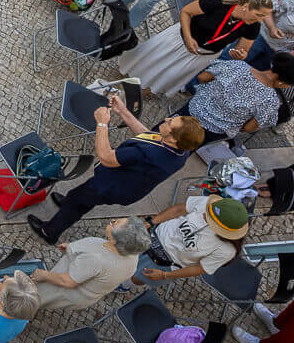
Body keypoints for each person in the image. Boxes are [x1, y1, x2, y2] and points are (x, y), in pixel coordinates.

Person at [28, 103, 202, 244]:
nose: (166, 119)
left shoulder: (150, 155)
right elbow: (148, 136)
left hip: (112, 186)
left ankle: (50, 231)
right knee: (80, 195)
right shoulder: (181, 150)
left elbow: (106, 157)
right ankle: (69, 200)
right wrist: (123, 111)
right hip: (120, 182)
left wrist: (102, 123)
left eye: (170, 123)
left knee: (79, 202)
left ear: (174, 138)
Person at [117, 0, 274, 100]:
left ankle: (142, 91)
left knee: (169, 74)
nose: (260, 20)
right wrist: (187, 37)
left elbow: (243, 50)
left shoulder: (253, 25)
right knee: (151, 60)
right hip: (179, 39)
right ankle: (128, 75)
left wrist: (239, 55)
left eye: (264, 16)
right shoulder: (217, 3)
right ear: (245, 6)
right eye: (259, 15)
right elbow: (186, 12)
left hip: (202, 56)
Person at [184, 54, 294, 153]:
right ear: (283, 83)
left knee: (167, 128)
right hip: (212, 131)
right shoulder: (271, 102)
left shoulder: (239, 65)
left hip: (193, 109)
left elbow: (203, 77)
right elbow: (248, 128)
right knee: (183, 148)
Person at [30, 217, 151, 310]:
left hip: (63, 290)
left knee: (34, 299)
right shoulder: (132, 254)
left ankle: (19, 312)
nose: (112, 221)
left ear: (116, 241)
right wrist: (72, 248)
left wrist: (44, 275)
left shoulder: (96, 260)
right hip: (86, 293)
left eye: (114, 223)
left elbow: (68, 281)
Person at [137, 195, 252, 284]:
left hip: (164, 262)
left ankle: (125, 285)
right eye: (208, 212)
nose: (204, 214)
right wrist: (151, 222)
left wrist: (164, 275)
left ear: (223, 230)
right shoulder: (209, 203)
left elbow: (199, 268)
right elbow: (178, 210)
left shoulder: (226, 251)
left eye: (210, 219)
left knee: (135, 278)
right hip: (155, 233)